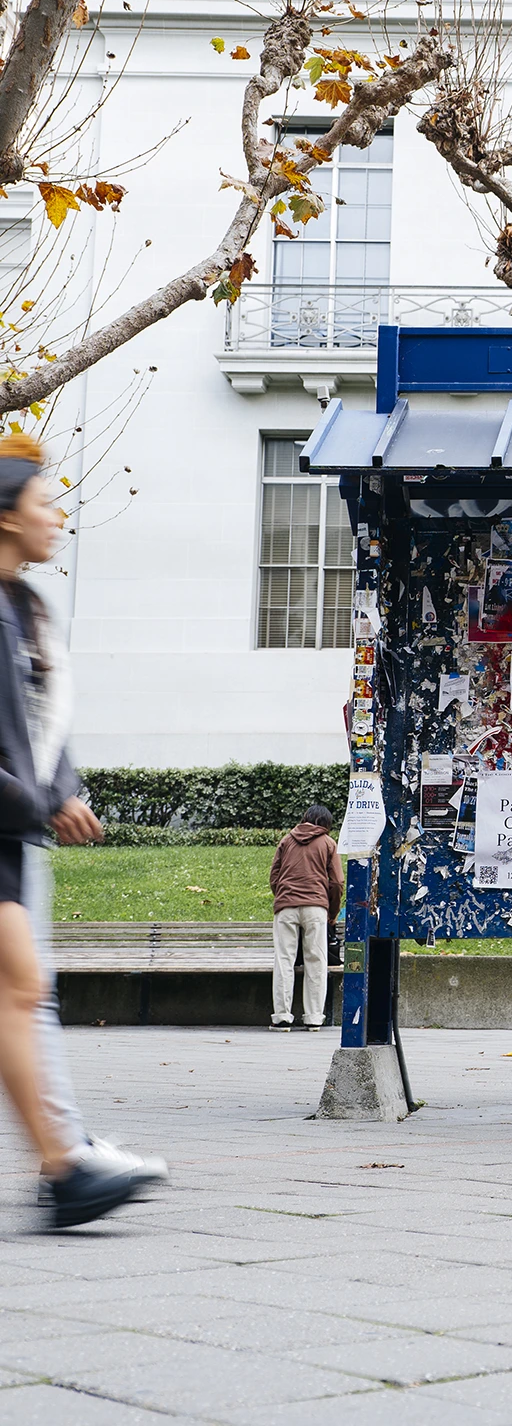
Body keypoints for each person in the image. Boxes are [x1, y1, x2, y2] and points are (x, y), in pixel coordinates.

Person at [0, 434, 166, 1227]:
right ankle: (63, 1170)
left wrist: (58, 792)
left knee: (22, 993)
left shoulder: (24, 606)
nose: (58, 516)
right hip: (5, 828)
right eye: (44, 503)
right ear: (6, 517)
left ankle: (63, 1164)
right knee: (21, 992)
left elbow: (40, 729)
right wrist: (38, 802)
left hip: (10, 833)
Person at [269, 804, 343, 1030]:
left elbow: (274, 875)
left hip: (286, 907)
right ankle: (313, 1017)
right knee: (316, 961)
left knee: (284, 960)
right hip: (316, 907)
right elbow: (337, 882)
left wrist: (282, 896)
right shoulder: (328, 843)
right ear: (326, 824)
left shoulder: (287, 840)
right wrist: (332, 912)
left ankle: (281, 1016)